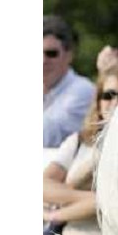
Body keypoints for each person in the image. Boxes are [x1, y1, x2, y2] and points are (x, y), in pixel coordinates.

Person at [43, 64, 118, 235]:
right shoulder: (79, 141)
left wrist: (55, 213)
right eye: (108, 95)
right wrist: (90, 199)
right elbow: (43, 185)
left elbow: (117, 201)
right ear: (97, 101)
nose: (115, 102)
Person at [43, 15, 96, 148]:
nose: (43, 60)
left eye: (51, 53)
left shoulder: (83, 91)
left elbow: (49, 136)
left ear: (69, 55)